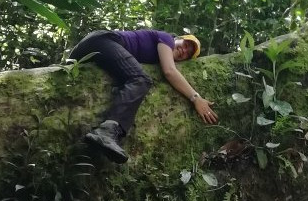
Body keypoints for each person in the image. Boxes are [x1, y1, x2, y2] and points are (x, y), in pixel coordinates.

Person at [69, 29, 219, 163]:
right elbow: (170, 71)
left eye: (188, 54)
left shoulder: (155, 54)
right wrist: (196, 98)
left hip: (91, 49)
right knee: (141, 79)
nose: (184, 51)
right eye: (185, 45)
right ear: (177, 38)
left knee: (130, 79)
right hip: (104, 41)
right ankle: (107, 131)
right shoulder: (166, 38)